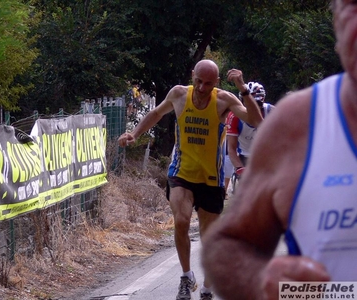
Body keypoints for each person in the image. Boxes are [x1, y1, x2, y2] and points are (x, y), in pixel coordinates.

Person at [201, 1, 356, 299]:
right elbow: (229, 244)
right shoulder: (294, 123)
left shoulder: (268, 113)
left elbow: (257, 121)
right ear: (335, 17)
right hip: (244, 156)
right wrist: (259, 281)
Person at [118, 59, 263, 300]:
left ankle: (206, 290)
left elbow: (255, 120)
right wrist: (134, 133)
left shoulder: (225, 99)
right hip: (181, 173)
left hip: (210, 178)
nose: (203, 88)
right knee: (181, 221)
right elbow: (155, 113)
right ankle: (186, 277)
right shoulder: (179, 94)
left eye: (208, 83)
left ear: (216, 82)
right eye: (198, 81)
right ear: (192, 75)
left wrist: (243, 88)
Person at [226, 82, 274, 171]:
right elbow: (231, 148)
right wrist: (239, 168)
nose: (253, 109)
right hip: (245, 156)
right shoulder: (235, 116)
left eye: (257, 104)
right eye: (248, 104)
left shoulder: (272, 112)